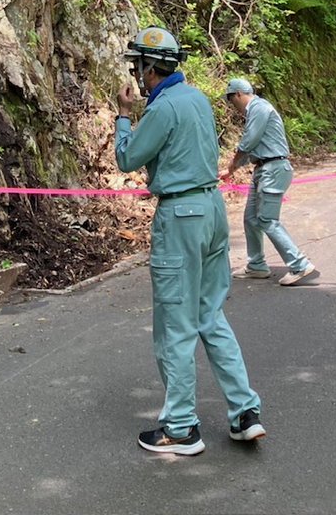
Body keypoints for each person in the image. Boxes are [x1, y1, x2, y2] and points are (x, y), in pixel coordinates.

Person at [115, 27, 265, 456]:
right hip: (213, 210)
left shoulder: (161, 109)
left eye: (138, 67)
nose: (137, 76)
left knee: (175, 328)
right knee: (209, 316)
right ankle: (244, 413)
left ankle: (180, 429)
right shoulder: (198, 99)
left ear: (147, 67)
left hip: (180, 216)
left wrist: (125, 115)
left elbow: (127, 158)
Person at [219, 78, 318, 286]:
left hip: (274, 168)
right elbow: (251, 148)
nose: (232, 105)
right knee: (251, 219)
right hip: (263, 168)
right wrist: (231, 170)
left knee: (267, 219)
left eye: (231, 99)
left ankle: (299, 264)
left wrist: (230, 168)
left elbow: (248, 142)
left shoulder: (259, 108)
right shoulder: (256, 110)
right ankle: (256, 265)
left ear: (238, 94)